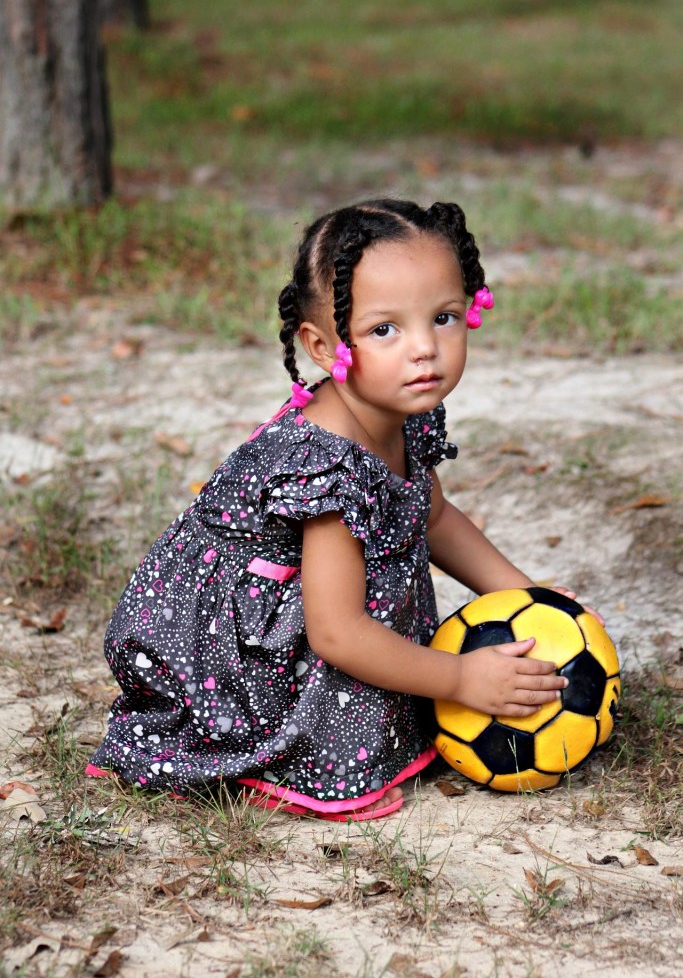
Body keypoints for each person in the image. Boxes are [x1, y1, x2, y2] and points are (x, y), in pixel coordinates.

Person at [87, 198, 592, 820]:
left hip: (328, 610)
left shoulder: (398, 409)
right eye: (385, 330)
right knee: (352, 669)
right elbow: (337, 632)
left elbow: (434, 517)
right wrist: (461, 679)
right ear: (324, 347)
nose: (424, 349)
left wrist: (529, 598)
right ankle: (264, 753)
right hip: (238, 648)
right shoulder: (325, 466)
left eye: (443, 318)